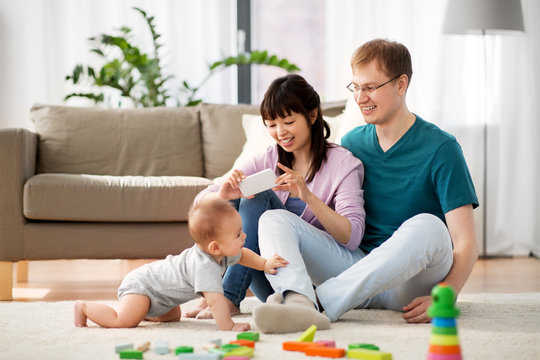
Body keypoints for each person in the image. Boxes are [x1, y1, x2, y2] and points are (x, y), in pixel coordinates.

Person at [253, 38, 479, 333]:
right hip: (355, 268)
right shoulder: (353, 143)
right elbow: (339, 224)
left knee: (430, 226)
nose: (360, 98)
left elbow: (466, 242)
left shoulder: (442, 148)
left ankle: (320, 302)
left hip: (409, 283)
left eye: (370, 87)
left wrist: (446, 295)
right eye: (356, 87)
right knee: (273, 219)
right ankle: (299, 302)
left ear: (401, 84)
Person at [187, 74, 365, 331]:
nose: (280, 132)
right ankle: (232, 294)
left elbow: (353, 236)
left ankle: (229, 297)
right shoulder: (268, 160)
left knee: (257, 195)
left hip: (321, 281)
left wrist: (308, 196)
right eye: (271, 124)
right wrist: (224, 195)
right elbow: (201, 202)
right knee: (246, 194)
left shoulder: (343, 164)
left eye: (289, 121)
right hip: (273, 275)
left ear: (313, 115)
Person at [73, 197, 288, 331]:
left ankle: (147, 311)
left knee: (173, 316)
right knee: (125, 321)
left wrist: (265, 263)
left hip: (161, 297)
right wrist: (229, 326)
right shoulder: (204, 266)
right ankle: (84, 307)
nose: (245, 237)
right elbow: (215, 302)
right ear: (215, 247)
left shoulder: (222, 252)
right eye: (238, 234)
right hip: (143, 287)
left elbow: (244, 256)